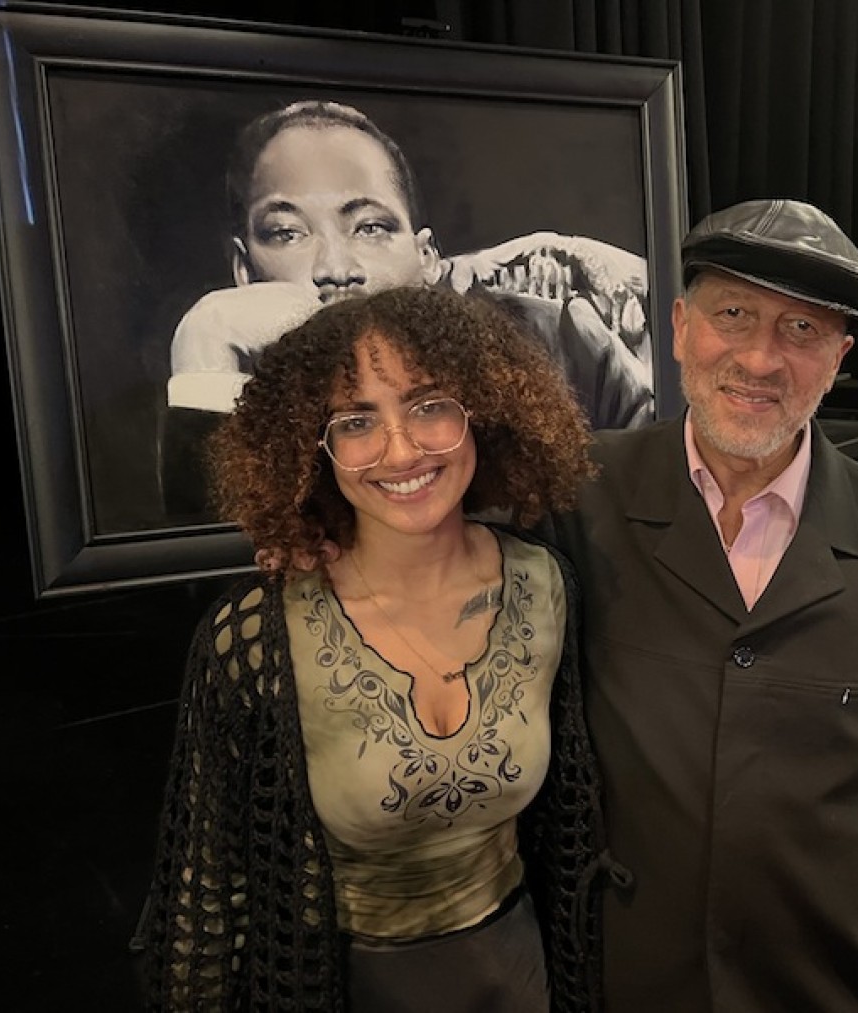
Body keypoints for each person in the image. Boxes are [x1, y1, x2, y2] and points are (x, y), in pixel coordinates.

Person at [544, 198, 858, 1012]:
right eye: (734, 313)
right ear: (678, 327)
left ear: (839, 357)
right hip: (625, 985)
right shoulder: (573, 499)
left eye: (803, 330)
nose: (760, 357)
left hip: (830, 987)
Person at [138, 284, 618, 1011]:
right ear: (311, 446)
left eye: (429, 405)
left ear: (484, 412)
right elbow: (204, 899)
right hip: (337, 988)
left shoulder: (545, 586)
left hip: (519, 980)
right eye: (356, 420)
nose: (400, 449)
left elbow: (569, 834)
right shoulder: (257, 635)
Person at [161, 98, 654, 515]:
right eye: (287, 233)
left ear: (426, 257)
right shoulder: (241, 391)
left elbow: (646, 516)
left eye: (370, 227)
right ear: (245, 270)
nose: (334, 267)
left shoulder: (562, 343)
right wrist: (204, 343)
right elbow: (209, 581)